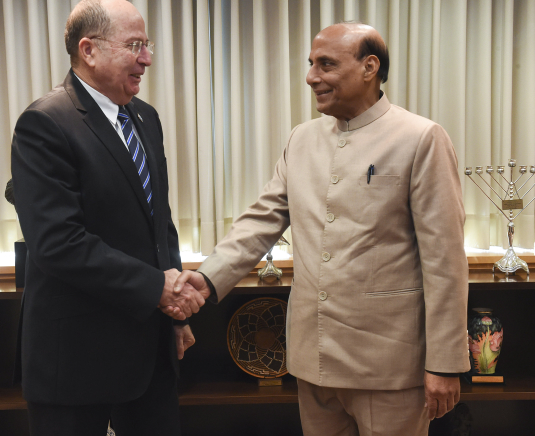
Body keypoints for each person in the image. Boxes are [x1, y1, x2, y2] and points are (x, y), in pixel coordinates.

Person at [169, 22, 470, 435]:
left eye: (326, 64)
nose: (312, 76)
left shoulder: (421, 138)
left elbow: (445, 262)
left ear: (369, 67)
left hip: (391, 365)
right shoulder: (302, 139)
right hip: (314, 362)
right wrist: (206, 279)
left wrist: (445, 363)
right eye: (311, 64)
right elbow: (261, 221)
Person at [11, 0, 206, 436]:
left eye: (147, 44)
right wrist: (158, 288)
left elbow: (160, 225)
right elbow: (59, 243)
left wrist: (176, 314)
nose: (148, 58)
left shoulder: (146, 118)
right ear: (89, 50)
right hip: (77, 357)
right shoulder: (45, 123)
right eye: (135, 45)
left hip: (149, 350)